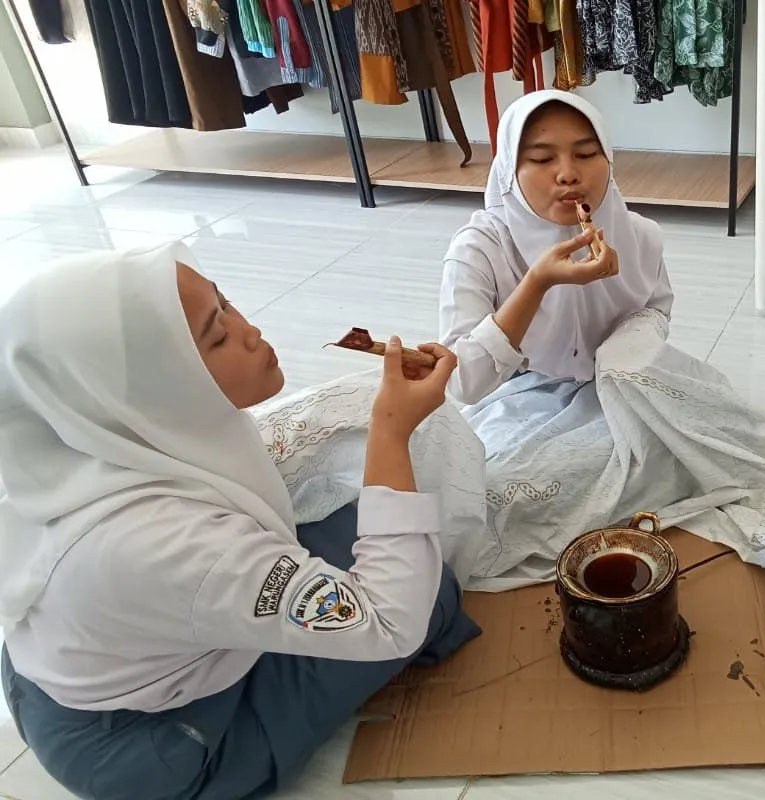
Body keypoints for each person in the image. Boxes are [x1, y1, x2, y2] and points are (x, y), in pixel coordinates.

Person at [0, 242, 481, 799]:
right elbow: (390, 621)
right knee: (428, 594)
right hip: (154, 742)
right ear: (148, 391)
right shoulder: (160, 544)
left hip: (75, 664)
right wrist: (391, 432)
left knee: (357, 522)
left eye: (225, 304)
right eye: (215, 337)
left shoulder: (83, 437)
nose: (249, 331)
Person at [433, 89, 765, 591]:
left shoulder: (637, 235)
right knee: (501, 503)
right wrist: (537, 283)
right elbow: (464, 382)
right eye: (541, 158)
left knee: (692, 459)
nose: (568, 173)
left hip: (625, 390)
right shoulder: (480, 248)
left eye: (587, 154)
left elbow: (655, 310)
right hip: (523, 401)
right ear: (509, 168)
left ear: (609, 159)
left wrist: (622, 357)